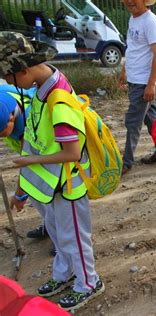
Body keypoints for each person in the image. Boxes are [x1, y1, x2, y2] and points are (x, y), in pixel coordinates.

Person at [0, 31, 103, 311]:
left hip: (68, 185)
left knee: (74, 238)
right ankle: (64, 274)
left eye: (9, 78)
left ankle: (88, 282)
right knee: (59, 233)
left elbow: (71, 153)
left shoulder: (58, 99)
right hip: (54, 185)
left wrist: (28, 163)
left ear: (23, 71)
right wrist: (23, 189)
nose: (8, 83)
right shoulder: (41, 90)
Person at [0, 85, 56, 254]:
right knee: (36, 191)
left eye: (1, 133)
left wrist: (19, 195)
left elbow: (28, 164)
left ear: (11, 118)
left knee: (47, 194)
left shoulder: (29, 121)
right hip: (34, 151)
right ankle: (49, 226)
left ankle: (60, 240)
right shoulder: (3, 100)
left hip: (51, 152)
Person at [119, 0, 156, 175]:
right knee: (151, 118)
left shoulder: (150, 21)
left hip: (144, 83)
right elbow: (132, 48)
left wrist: (150, 85)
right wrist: (124, 70)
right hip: (135, 80)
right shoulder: (133, 19)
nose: (130, 2)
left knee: (133, 122)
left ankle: (126, 162)